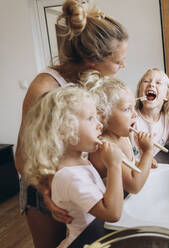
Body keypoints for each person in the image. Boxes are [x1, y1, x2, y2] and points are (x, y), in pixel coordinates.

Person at [14, 0, 129, 246]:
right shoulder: (45, 87)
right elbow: (23, 155)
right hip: (42, 185)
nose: (123, 66)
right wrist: (47, 192)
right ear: (93, 59)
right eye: (118, 61)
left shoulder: (92, 81)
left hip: (79, 182)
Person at [21, 87, 123, 248]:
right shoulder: (70, 176)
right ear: (63, 130)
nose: (99, 125)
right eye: (90, 118)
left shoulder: (75, 161)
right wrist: (114, 165)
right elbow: (112, 213)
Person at [81, 70, 155, 194]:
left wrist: (142, 163)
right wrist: (148, 152)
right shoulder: (104, 147)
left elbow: (127, 165)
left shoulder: (122, 136)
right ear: (103, 115)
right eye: (127, 109)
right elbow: (134, 185)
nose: (135, 114)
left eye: (134, 107)